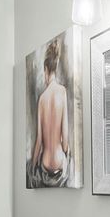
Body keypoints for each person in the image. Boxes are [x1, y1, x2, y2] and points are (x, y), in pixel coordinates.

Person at [29, 39, 72, 187]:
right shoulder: (62, 92)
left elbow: (39, 141)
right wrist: (67, 151)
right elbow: (65, 140)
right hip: (59, 164)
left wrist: (33, 166)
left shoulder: (42, 99)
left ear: (46, 70)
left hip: (45, 165)